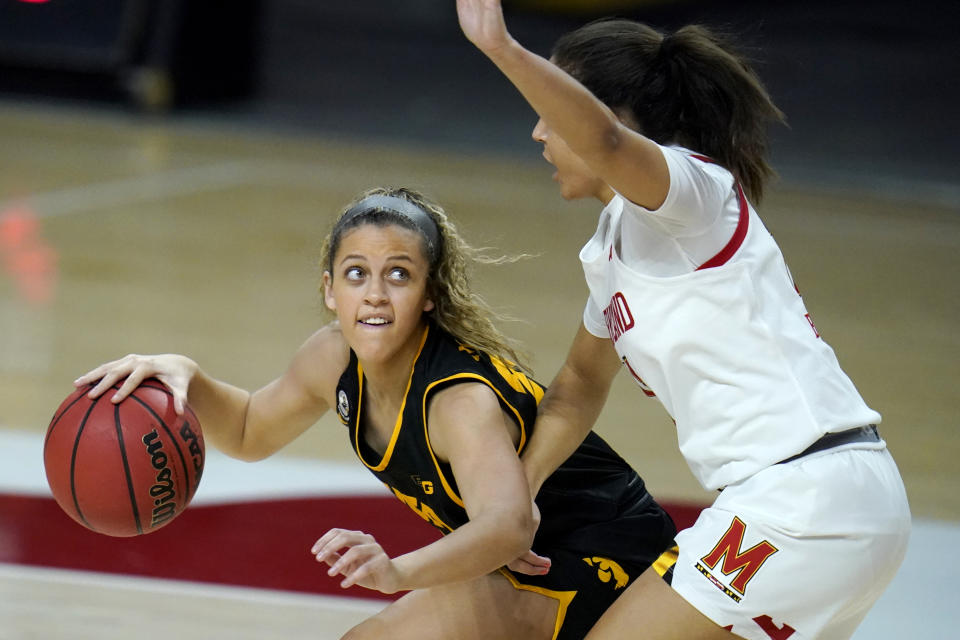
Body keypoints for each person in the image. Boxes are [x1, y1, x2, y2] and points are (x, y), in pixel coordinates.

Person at [456, 2, 911, 639]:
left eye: (550, 114)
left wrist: (503, 49)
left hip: (799, 503)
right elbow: (578, 386)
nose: (538, 133)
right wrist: (517, 500)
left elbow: (608, 143)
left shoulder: (694, 195)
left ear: (603, 116)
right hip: (829, 501)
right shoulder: (610, 248)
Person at [75, 186, 676, 640]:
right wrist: (186, 375)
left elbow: (508, 527)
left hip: (607, 557)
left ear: (429, 294)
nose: (376, 295)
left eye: (399, 275)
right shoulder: (332, 357)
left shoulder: (456, 400)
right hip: (525, 560)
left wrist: (397, 571)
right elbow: (251, 430)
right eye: (357, 274)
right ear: (330, 289)